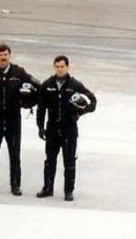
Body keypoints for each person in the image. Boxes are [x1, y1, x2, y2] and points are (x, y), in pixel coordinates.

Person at [0, 43, 38, 195]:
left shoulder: (19, 72)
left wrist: (31, 101)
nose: (3, 58)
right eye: (0, 55)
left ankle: (15, 185)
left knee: (15, 154)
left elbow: (37, 85)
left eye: (5, 55)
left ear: (10, 55)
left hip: (13, 119)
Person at [36, 55, 97, 201]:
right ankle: (47, 188)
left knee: (69, 161)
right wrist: (40, 126)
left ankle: (68, 191)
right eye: (57, 66)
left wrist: (80, 112)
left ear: (67, 67)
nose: (59, 69)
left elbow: (93, 101)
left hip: (69, 130)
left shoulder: (75, 84)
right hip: (52, 129)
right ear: (54, 67)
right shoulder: (47, 85)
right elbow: (41, 108)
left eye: (62, 66)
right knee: (50, 160)